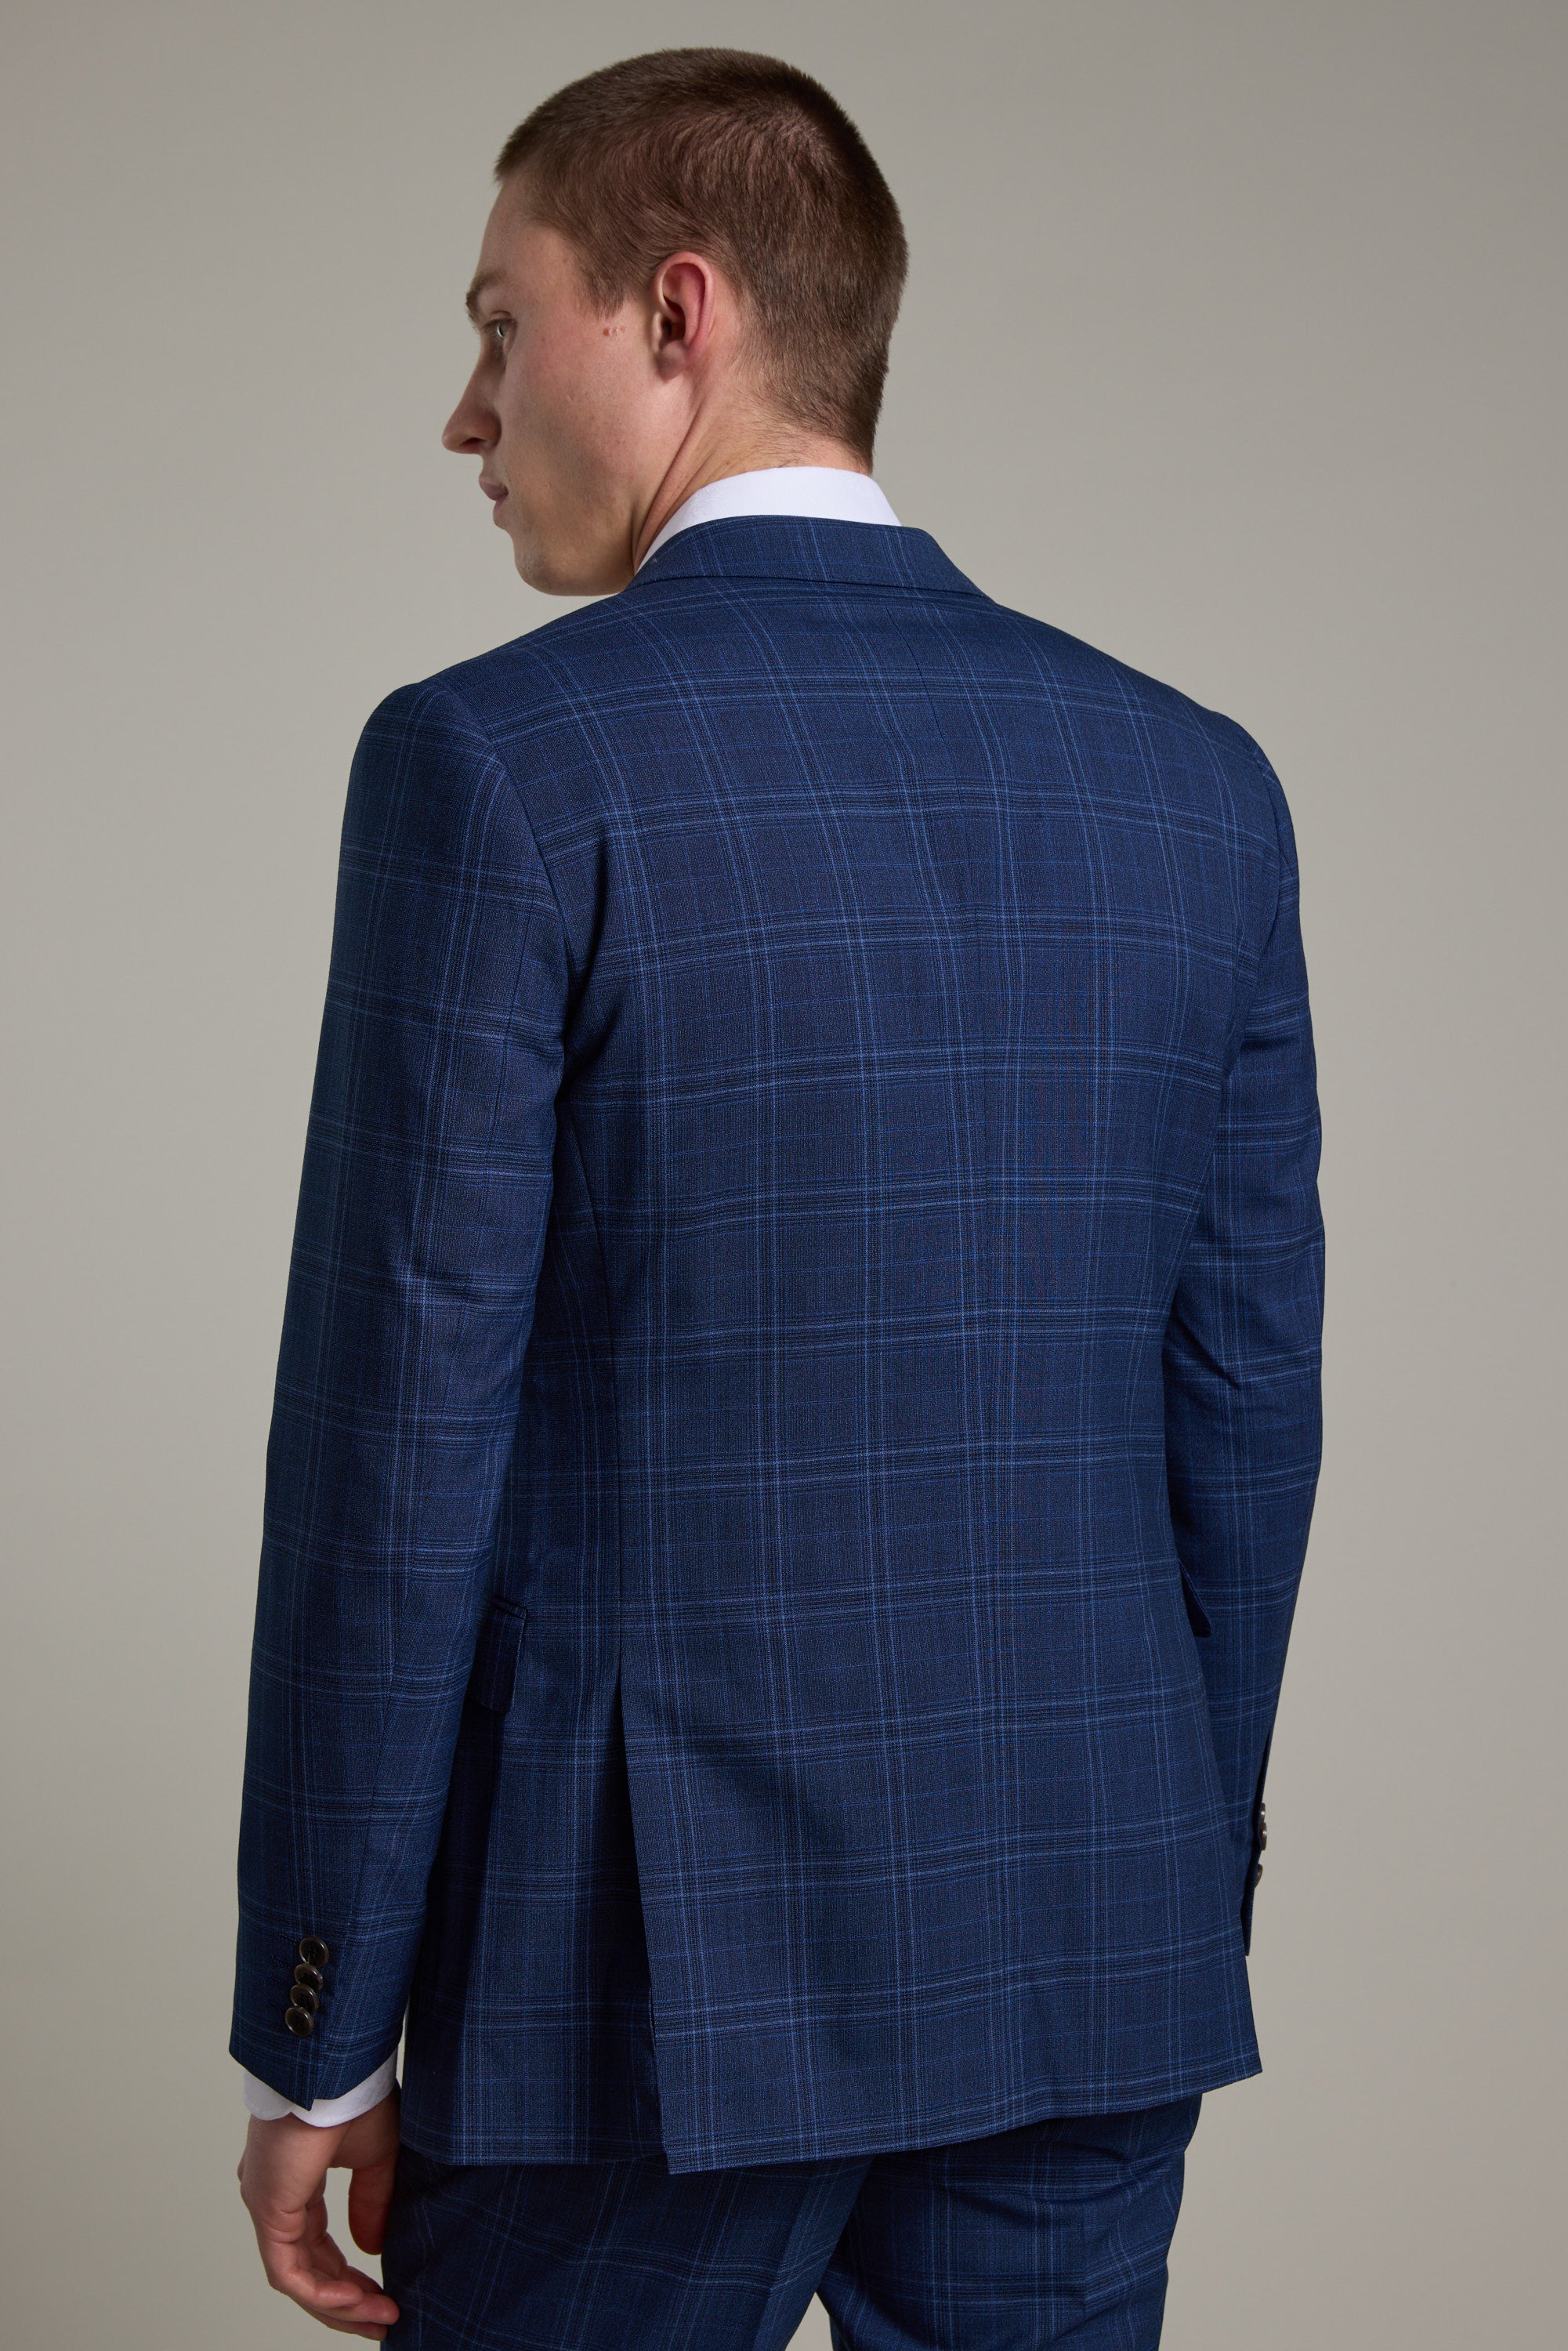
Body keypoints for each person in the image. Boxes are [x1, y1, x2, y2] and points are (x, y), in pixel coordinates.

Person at [232, 46, 1323, 2351]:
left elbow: (392, 1444)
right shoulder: (1195, 792)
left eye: (497, 322)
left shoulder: (497, 763)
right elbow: (1239, 1414)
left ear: (676, 312)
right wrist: (1156, 1881)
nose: (465, 408)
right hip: (1080, 1937)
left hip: (630, 1981)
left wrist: (320, 2015)